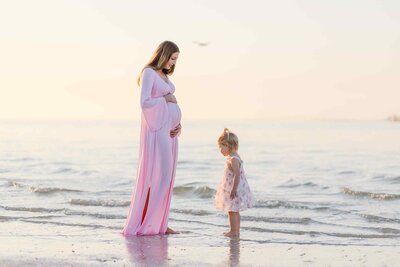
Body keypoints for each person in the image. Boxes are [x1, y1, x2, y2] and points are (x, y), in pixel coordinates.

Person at [122, 41, 182, 236]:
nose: (173, 63)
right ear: (163, 54)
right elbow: (145, 102)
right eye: (172, 58)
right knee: (161, 178)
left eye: (175, 60)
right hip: (156, 130)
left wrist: (177, 124)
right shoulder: (148, 72)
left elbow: (170, 104)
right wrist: (166, 100)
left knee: (168, 178)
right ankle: (148, 223)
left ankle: (160, 224)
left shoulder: (164, 76)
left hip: (170, 132)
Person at [215, 128, 254, 237]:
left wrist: (233, 189)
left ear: (227, 145)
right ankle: (236, 231)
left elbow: (237, 174)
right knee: (234, 210)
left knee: (231, 210)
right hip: (236, 187)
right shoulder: (234, 156)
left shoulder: (233, 159)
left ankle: (233, 231)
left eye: (221, 147)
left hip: (234, 188)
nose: (220, 150)